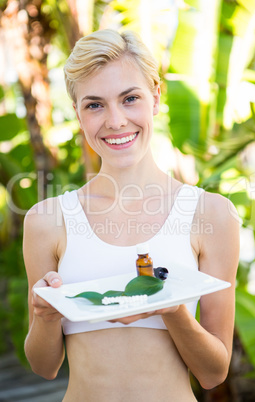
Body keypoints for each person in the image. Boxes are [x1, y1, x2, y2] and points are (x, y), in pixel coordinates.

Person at [23, 29, 240, 402]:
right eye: (94, 104)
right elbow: (44, 367)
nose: (116, 120)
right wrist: (45, 317)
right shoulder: (46, 220)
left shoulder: (211, 214)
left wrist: (173, 310)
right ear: (77, 113)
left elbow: (213, 373)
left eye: (130, 98)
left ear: (155, 97)